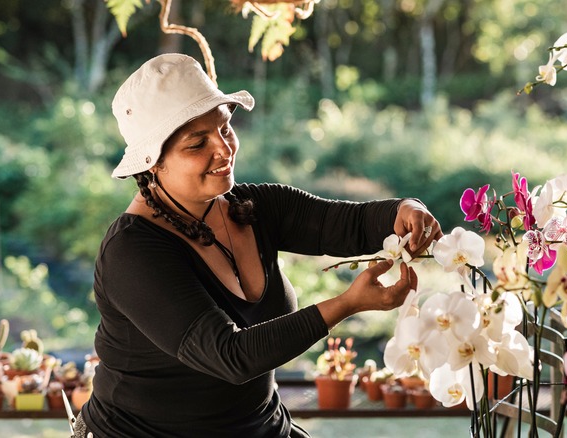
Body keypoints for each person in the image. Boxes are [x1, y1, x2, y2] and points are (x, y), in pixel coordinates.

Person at [76, 53, 442, 437]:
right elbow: (230, 357)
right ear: (152, 163)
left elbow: (347, 223)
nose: (223, 148)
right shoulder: (131, 252)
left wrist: (405, 209)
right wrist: (346, 304)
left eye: (225, 127)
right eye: (197, 143)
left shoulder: (255, 207)